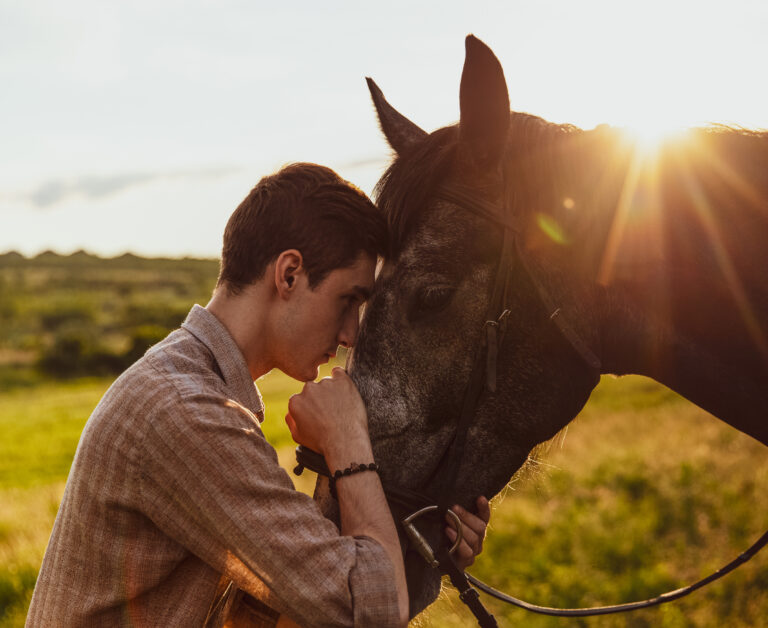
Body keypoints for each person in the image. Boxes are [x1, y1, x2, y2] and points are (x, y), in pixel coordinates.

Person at [26, 163, 490, 627]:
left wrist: (424, 545)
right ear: (288, 274)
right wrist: (348, 440)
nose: (351, 334)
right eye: (348, 300)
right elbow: (370, 610)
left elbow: (284, 611)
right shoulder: (186, 412)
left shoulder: (193, 386)